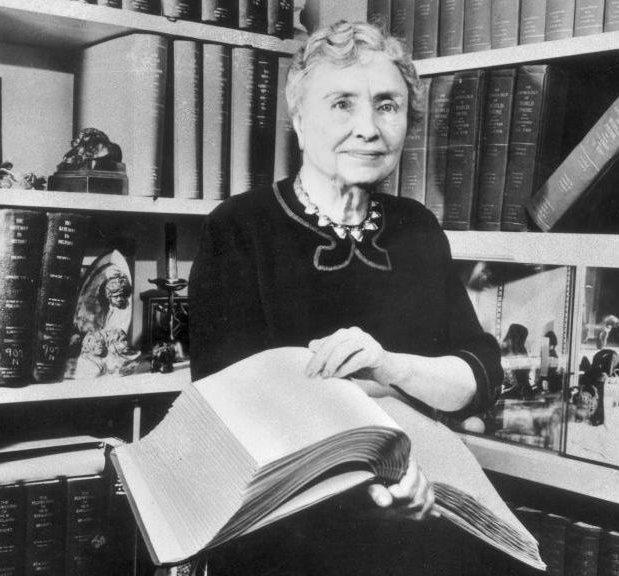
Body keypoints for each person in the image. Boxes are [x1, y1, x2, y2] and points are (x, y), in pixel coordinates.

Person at [188, 20, 502, 573]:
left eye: (387, 105)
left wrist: (390, 366)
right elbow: (231, 410)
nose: (368, 128)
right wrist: (384, 462)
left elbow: (479, 376)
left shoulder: (419, 229)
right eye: (341, 104)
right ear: (299, 120)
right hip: (286, 539)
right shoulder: (240, 228)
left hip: (414, 528)